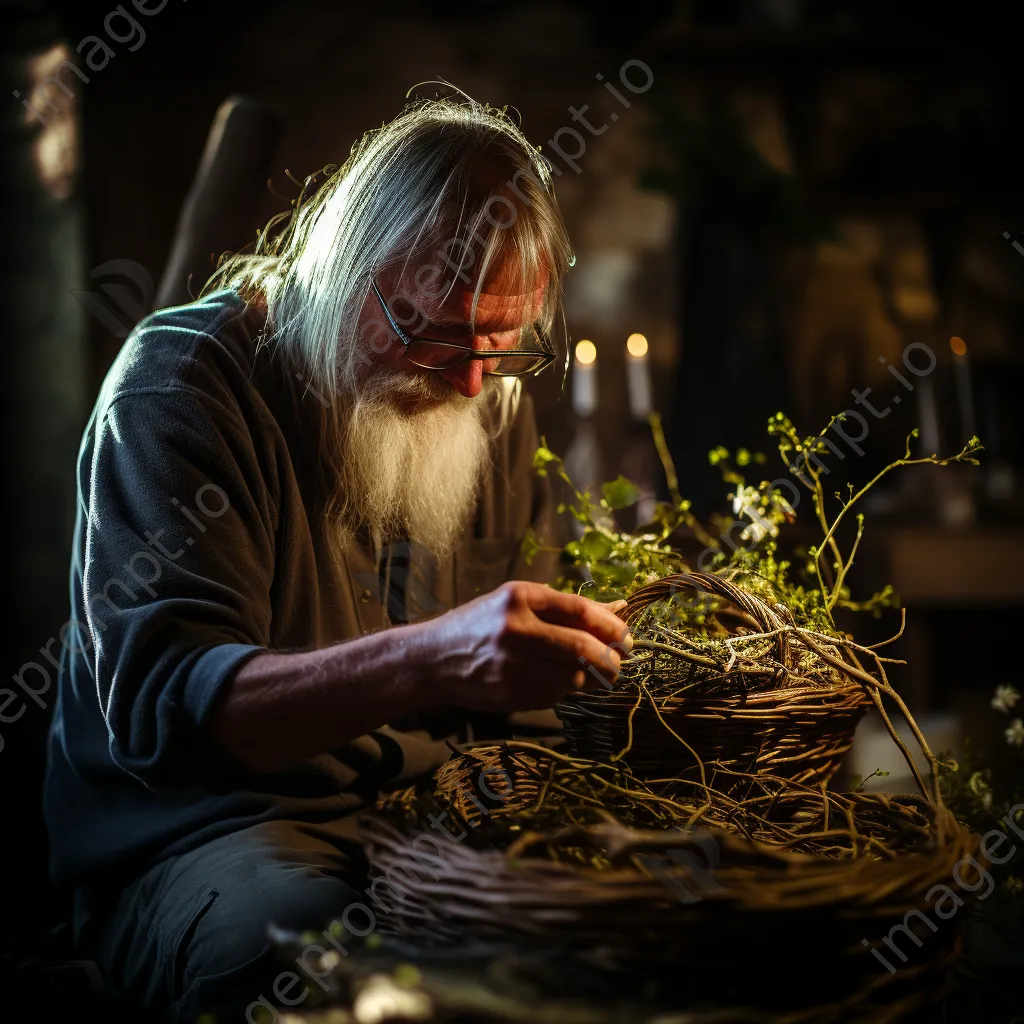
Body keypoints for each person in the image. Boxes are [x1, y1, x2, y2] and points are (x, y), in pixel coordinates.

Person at [43, 91, 631, 1022]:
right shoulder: (179, 392)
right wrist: (432, 656)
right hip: (216, 834)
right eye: (434, 330)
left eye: (500, 342)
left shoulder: (485, 398)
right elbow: (169, 719)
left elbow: (523, 715)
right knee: (322, 970)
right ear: (345, 269)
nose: (471, 380)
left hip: (426, 818)